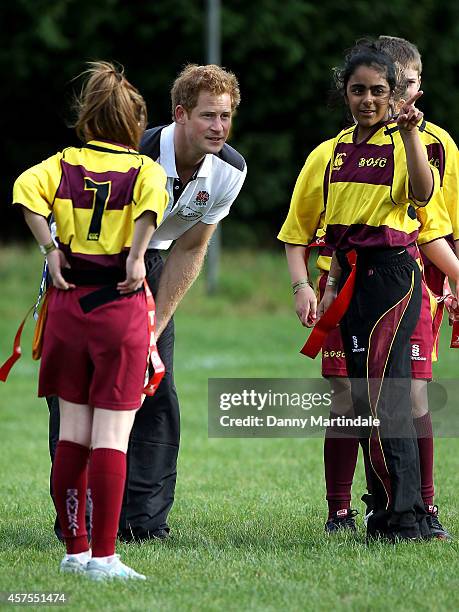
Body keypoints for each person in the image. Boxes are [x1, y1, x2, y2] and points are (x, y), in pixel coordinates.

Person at [48, 63, 247, 542]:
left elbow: (191, 247)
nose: (218, 127)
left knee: (156, 392)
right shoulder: (133, 153)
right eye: (207, 116)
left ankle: (145, 521)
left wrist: (152, 329)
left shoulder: (229, 170)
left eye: (226, 116)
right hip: (89, 268)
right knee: (79, 400)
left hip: (154, 267)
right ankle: (81, 517)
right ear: (180, 115)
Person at [13, 61, 168, 579]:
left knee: (72, 435)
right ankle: (105, 557)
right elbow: (148, 212)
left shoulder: (59, 163)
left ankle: (74, 550)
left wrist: (50, 247)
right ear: (134, 122)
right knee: (112, 438)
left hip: (67, 306)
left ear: (87, 118)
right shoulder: (144, 169)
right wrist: (137, 255)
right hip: (115, 306)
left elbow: (24, 191)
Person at [317, 40, 439, 542]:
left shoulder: (407, 140)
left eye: (378, 91)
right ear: (345, 93)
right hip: (351, 279)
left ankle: (409, 515)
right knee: (365, 397)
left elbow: (422, 193)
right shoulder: (335, 151)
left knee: (391, 395)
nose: (368, 99)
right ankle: (383, 511)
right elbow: (317, 228)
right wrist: (317, 283)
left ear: (395, 95)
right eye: (358, 90)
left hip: (393, 276)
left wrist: (410, 136)